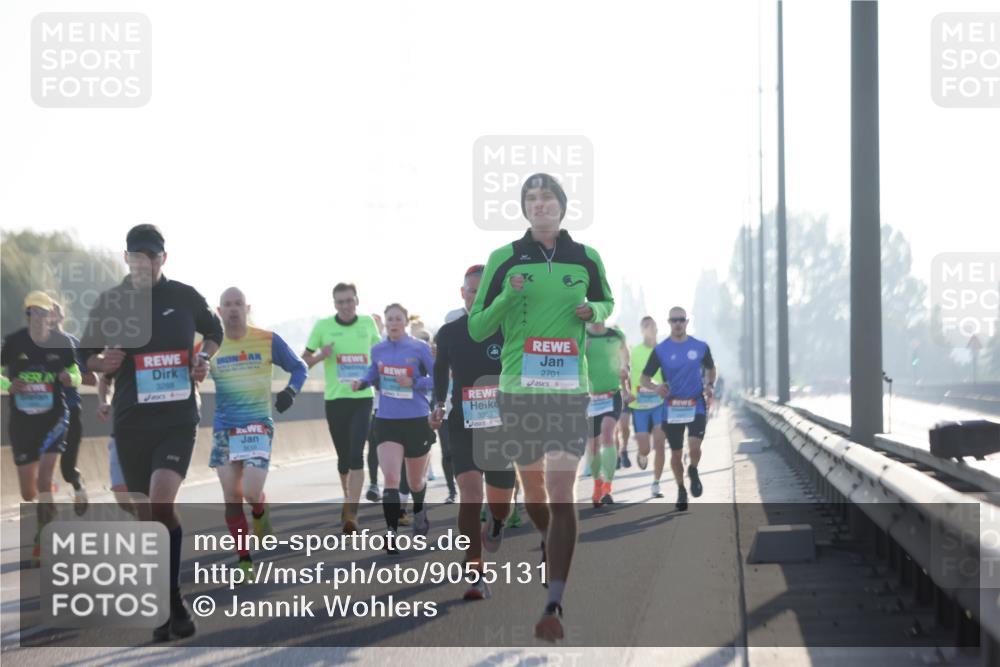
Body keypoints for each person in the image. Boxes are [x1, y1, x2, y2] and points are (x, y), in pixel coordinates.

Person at [469, 173, 614, 641]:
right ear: (524, 209)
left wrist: (595, 311)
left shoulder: (585, 257)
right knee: (533, 495)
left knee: (561, 490)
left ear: (562, 206)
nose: (539, 204)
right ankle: (547, 540)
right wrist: (510, 294)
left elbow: (607, 298)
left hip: (570, 390)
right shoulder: (504, 259)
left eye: (547, 196)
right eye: (531, 198)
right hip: (519, 388)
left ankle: (554, 600)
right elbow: (477, 327)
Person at [80, 224, 224, 641]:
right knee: (147, 517)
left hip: (177, 417)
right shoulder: (110, 302)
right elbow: (83, 353)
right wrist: (100, 361)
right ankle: (167, 601)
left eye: (152, 255)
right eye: (137, 255)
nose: (144, 262)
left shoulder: (184, 296)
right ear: (126, 258)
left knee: (161, 500)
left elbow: (212, 331)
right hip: (131, 421)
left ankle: (171, 598)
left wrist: (205, 359)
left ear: (164, 258)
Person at [209, 287, 307, 578]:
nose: (234, 309)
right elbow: (188, 373)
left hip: (256, 426)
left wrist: (290, 391)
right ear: (219, 311)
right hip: (224, 428)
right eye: (228, 304)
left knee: (250, 491)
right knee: (231, 496)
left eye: (238, 303)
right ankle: (244, 560)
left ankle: (260, 510)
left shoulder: (266, 340)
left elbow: (299, 367)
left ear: (247, 308)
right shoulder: (210, 346)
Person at [432, 264, 514, 601]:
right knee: (470, 494)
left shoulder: (506, 329)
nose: (475, 295)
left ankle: (496, 524)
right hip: (462, 421)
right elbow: (439, 373)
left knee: (500, 505)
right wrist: (436, 403)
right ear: (461, 293)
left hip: (501, 424)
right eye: (470, 290)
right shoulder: (449, 332)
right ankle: (475, 572)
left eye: (483, 291)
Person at [1, 291, 81, 566]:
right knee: (28, 492)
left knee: (45, 481)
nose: (37, 317)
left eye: (42, 312)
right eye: (32, 312)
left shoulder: (62, 343)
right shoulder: (13, 342)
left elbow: (77, 374)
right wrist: (7, 385)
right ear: (27, 315)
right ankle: (48, 508)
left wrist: (68, 377)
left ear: (51, 316)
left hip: (54, 418)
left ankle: (43, 539)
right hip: (22, 422)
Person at [352, 303, 435, 552]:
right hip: (387, 420)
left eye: (398, 319)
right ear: (385, 324)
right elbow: (371, 374)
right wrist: (362, 381)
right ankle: (391, 533)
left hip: (416, 420)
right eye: (390, 320)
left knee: (416, 482)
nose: (394, 323)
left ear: (406, 322)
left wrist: (414, 381)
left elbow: (437, 379)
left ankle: (419, 510)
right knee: (390, 477)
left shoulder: (420, 348)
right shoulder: (378, 349)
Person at [301, 283, 381, 534]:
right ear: (334, 304)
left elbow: (379, 355)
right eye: (340, 302)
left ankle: (352, 512)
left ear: (357, 300)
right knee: (344, 458)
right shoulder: (323, 326)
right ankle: (347, 497)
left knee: (357, 453)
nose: (345, 306)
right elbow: (303, 361)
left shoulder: (367, 324)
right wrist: (320, 356)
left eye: (349, 301)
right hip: (335, 400)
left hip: (361, 397)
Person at [639, 307, 717, 512]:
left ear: (687, 321)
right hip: (672, 407)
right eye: (674, 320)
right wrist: (657, 387)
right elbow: (643, 378)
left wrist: (709, 386)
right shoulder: (661, 350)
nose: (678, 323)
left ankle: (693, 469)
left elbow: (711, 368)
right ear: (668, 322)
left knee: (694, 448)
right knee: (675, 454)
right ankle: (681, 489)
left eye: (681, 319)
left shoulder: (700, 346)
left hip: (696, 404)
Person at [49, 301, 97, 514]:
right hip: (41, 413)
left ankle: (77, 485)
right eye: (43, 312)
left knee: (67, 469)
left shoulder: (73, 343)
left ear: (61, 316)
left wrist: (72, 379)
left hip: (70, 409)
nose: (48, 316)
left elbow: (92, 378)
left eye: (53, 312)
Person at [584, 321, 629, 506]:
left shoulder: (617, 334)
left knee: (608, 433)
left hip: (612, 394)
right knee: (593, 445)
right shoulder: (582, 335)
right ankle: (597, 483)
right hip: (590, 398)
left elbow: (626, 360)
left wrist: (626, 384)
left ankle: (607, 486)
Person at [628, 316, 668, 497]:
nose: (648, 329)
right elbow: (626, 374)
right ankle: (641, 454)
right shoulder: (634, 352)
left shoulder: (664, 350)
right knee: (645, 448)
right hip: (640, 405)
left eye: (651, 325)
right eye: (644, 326)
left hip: (660, 404)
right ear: (641, 330)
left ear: (656, 328)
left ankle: (656, 483)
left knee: (660, 444)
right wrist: (626, 391)